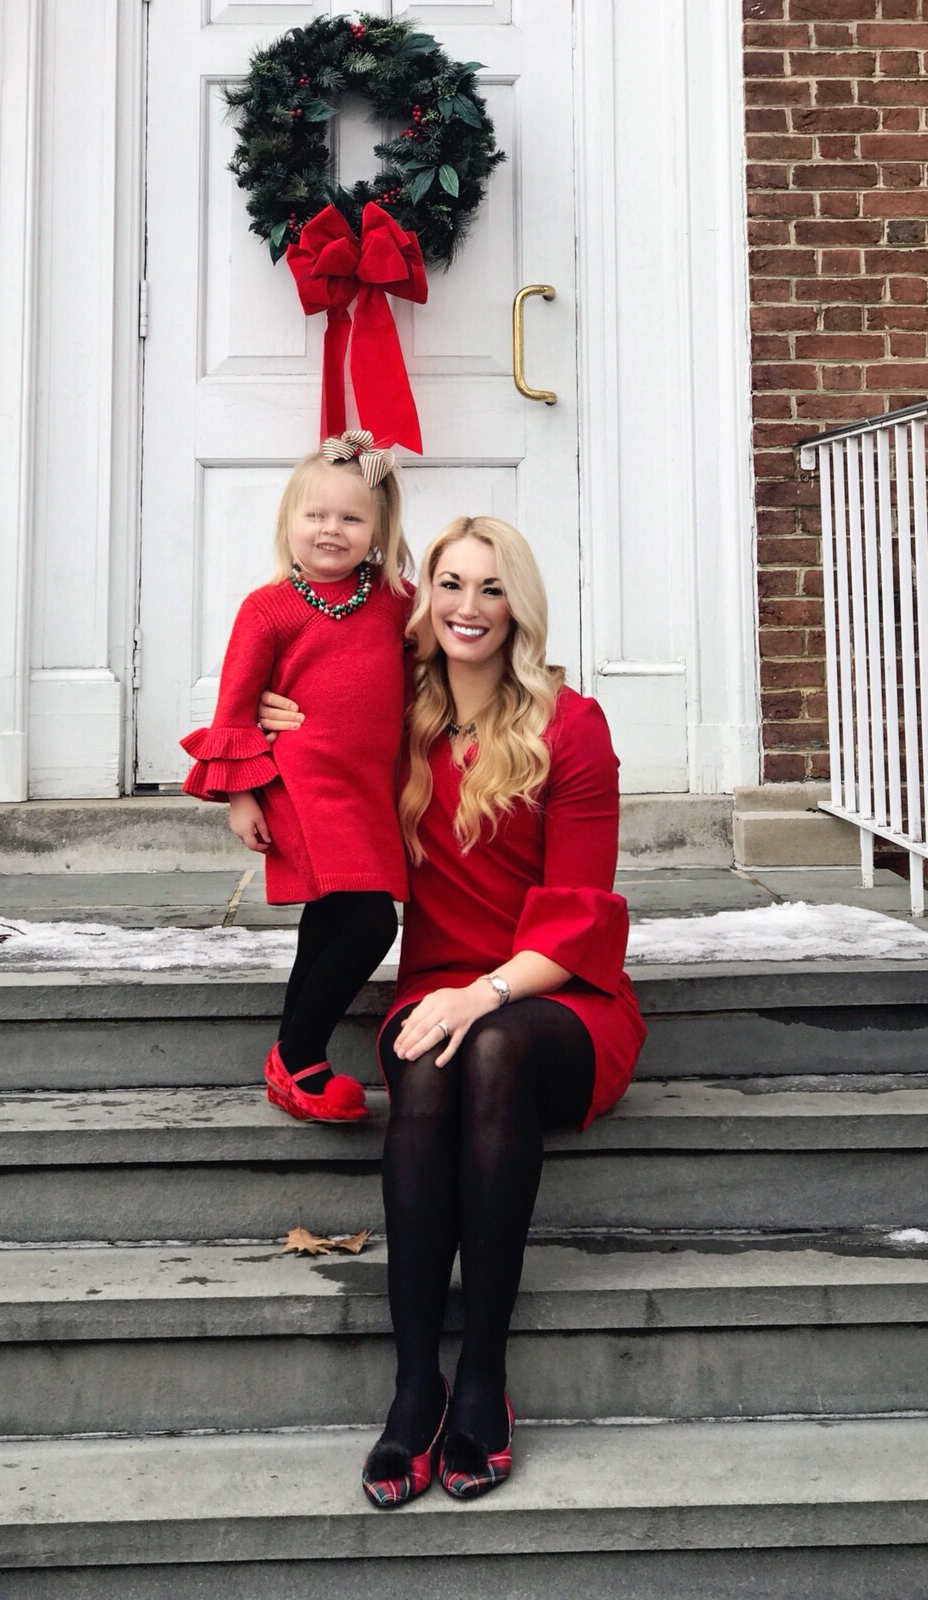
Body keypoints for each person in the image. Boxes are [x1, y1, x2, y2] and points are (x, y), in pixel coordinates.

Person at [265, 516, 646, 1505]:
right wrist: (268, 727)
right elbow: (312, 716)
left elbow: (582, 915)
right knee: (437, 1058)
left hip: (556, 998)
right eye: (450, 583)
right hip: (436, 997)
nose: (468, 607)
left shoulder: (571, 724)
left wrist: (485, 992)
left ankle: (483, 1374)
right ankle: (413, 1386)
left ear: (518, 604)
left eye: (490, 587)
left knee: (489, 1049)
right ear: (424, 598)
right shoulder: (400, 715)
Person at [180, 429, 413, 1123]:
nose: (331, 530)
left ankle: (288, 1056)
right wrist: (241, 795)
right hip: (301, 786)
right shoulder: (269, 607)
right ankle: (302, 1056)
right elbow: (233, 703)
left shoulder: (394, 600)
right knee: (370, 922)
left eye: (351, 517)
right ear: (289, 522)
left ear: (378, 528)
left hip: (369, 787)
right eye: (315, 515)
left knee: (332, 916)